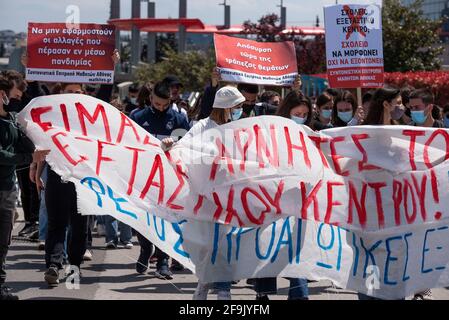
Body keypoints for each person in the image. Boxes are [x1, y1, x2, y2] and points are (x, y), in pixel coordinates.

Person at [169, 85, 245, 300]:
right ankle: (204, 283)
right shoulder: (202, 127)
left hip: (234, 196)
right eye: (237, 107)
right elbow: (182, 147)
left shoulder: (244, 128)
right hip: (206, 197)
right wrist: (169, 146)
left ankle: (223, 290)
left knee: (227, 244)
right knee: (208, 246)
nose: (240, 110)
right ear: (225, 107)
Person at [252, 90, 313, 301]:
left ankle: (299, 294)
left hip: (299, 199)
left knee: (296, 250)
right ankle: (263, 293)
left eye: (305, 114)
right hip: (272, 197)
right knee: (268, 245)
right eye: (298, 113)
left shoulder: (308, 132)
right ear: (287, 112)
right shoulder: (270, 132)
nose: (301, 117)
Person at [130, 81, 190, 280]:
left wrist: (174, 144)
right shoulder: (137, 117)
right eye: (157, 104)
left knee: (165, 219)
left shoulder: (179, 119)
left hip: (168, 180)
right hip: (142, 178)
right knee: (141, 218)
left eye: (165, 105)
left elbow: (188, 146)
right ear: (150, 99)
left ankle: (163, 261)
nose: (161, 108)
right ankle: (146, 249)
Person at [0, 73, 48, 300]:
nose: (17, 101)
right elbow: (3, 155)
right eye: (15, 96)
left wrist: (26, 129)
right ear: (2, 94)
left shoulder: (10, 119)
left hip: (7, 190)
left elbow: (26, 144)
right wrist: (29, 157)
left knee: (3, 240)